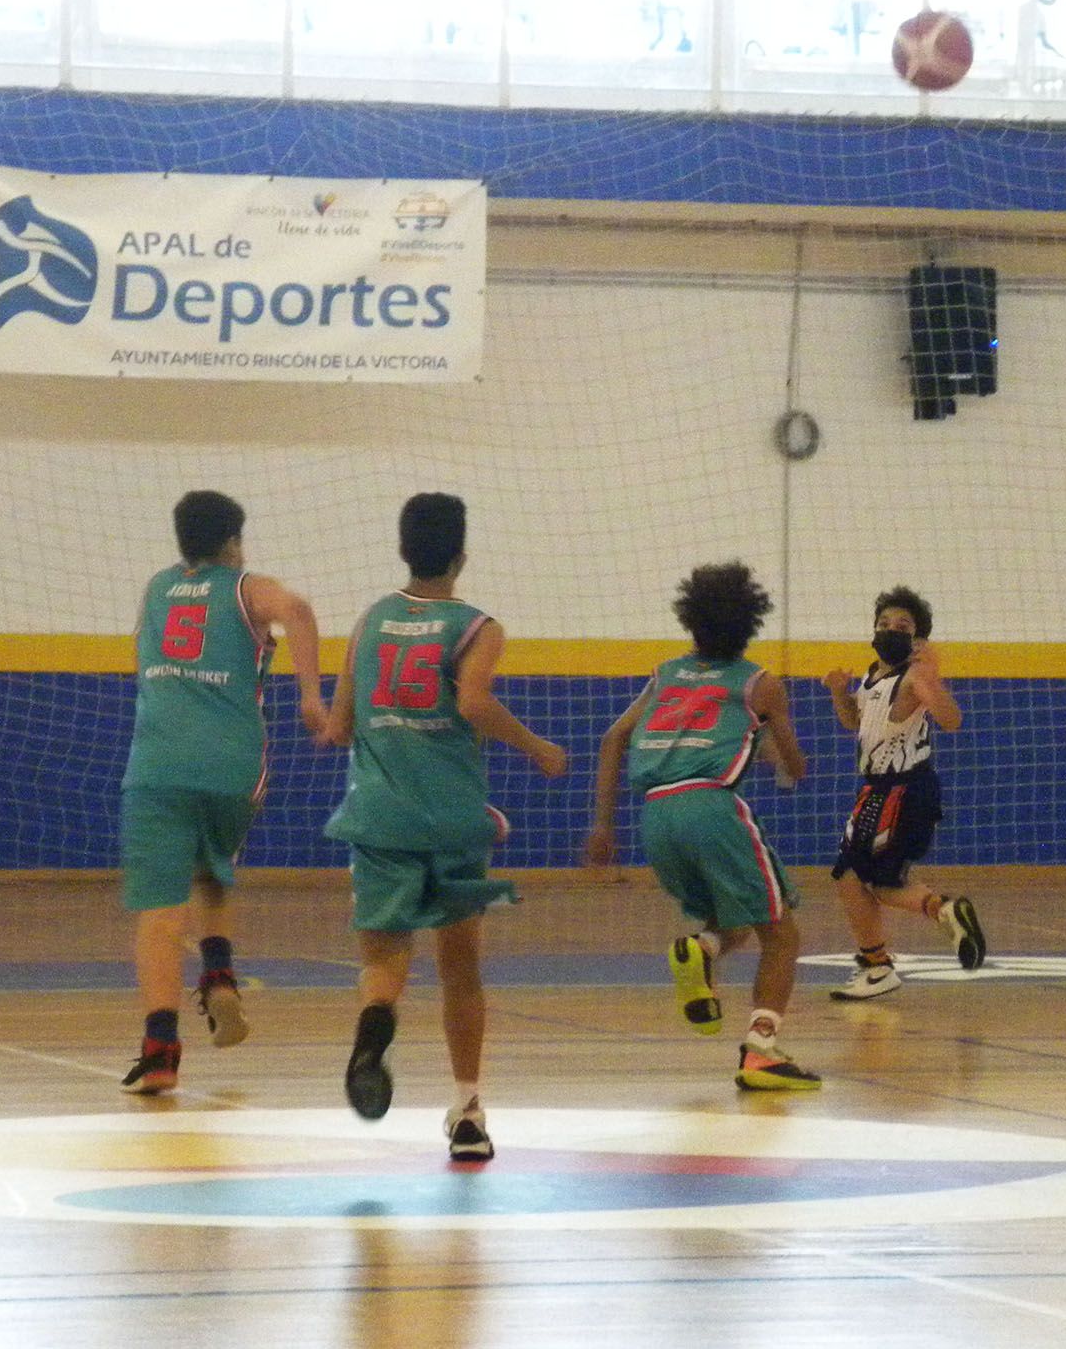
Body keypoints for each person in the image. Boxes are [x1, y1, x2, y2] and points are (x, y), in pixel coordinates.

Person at [324, 493, 567, 1161]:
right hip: (453, 819)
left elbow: (339, 725)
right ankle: (466, 1111)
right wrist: (537, 746)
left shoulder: (370, 620)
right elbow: (474, 700)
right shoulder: (477, 626)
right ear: (462, 555)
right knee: (460, 968)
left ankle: (375, 1031)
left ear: (403, 550)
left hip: (379, 814)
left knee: (383, 957)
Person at [585, 562, 819, 1092]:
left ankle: (702, 949)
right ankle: (761, 1052)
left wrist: (602, 825)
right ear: (751, 622)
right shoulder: (761, 683)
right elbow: (794, 766)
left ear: (690, 620)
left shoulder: (666, 674)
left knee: (731, 920)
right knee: (782, 934)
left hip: (655, 816)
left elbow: (612, 740)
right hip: (712, 809)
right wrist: (775, 749)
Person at [120, 490, 324, 1095]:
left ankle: (160, 1048)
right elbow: (300, 609)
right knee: (215, 870)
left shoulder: (156, 590)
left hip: (157, 762)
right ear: (233, 541)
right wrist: (311, 696)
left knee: (159, 915)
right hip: (232, 764)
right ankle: (219, 973)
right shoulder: (245, 587)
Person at [821, 586, 983, 1000]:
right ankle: (904, 943)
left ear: (918, 639)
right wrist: (840, 692)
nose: (890, 629)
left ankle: (900, 949)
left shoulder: (913, 676)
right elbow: (852, 721)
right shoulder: (872, 674)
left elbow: (952, 719)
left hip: (904, 789)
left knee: (859, 878)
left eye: (902, 626)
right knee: (859, 879)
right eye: (883, 624)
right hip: (878, 790)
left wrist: (931, 682)